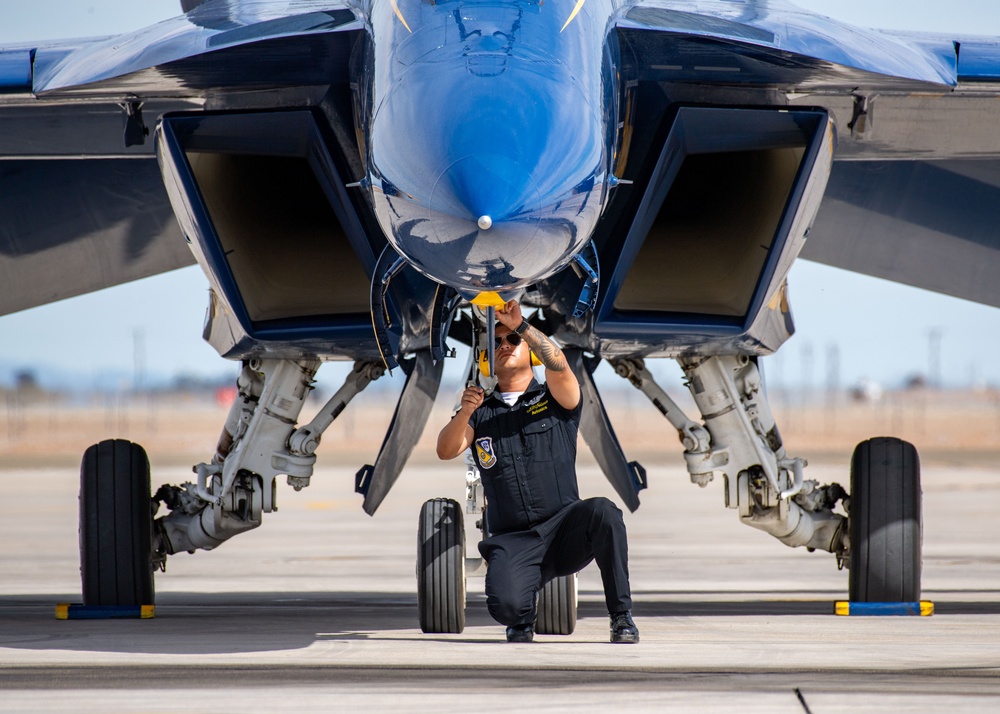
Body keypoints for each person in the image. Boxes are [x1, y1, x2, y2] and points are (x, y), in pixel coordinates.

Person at [436, 299, 639, 643]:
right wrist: (464, 413)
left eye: (511, 340)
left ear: (527, 349)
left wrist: (523, 328)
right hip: (514, 540)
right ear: (486, 358)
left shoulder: (556, 399)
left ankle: (621, 616)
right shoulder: (481, 414)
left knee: (604, 512)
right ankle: (524, 614)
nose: (504, 345)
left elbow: (558, 363)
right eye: (497, 342)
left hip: (564, 531)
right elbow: (445, 449)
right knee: (506, 609)